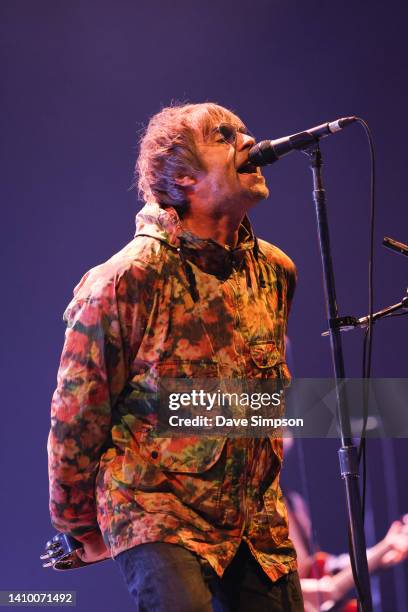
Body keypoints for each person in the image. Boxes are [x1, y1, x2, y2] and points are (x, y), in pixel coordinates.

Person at [47, 102, 303, 611]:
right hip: (155, 505)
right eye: (224, 135)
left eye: (245, 129)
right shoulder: (127, 278)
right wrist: (78, 525)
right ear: (183, 176)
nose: (248, 142)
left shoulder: (275, 271)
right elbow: (77, 414)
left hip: (253, 521)